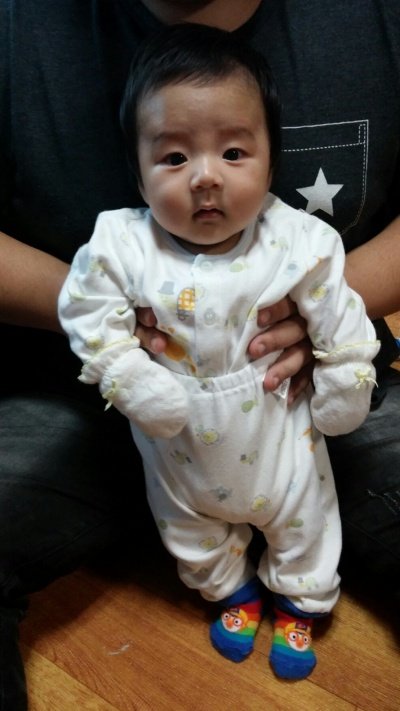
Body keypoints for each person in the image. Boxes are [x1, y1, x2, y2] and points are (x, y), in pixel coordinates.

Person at [0, 0, 399, 706]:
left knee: (305, 514)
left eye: (233, 154)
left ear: (272, 159)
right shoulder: (121, 242)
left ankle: (301, 600)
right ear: (137, 171)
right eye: (175, 157)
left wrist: (342, 368)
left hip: (290, 420)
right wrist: (124, 366)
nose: (205, 178)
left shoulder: (299, 239)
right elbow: (86, 309)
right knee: (190, 525)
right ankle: (231, 589)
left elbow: (338, 310)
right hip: (144, 427)